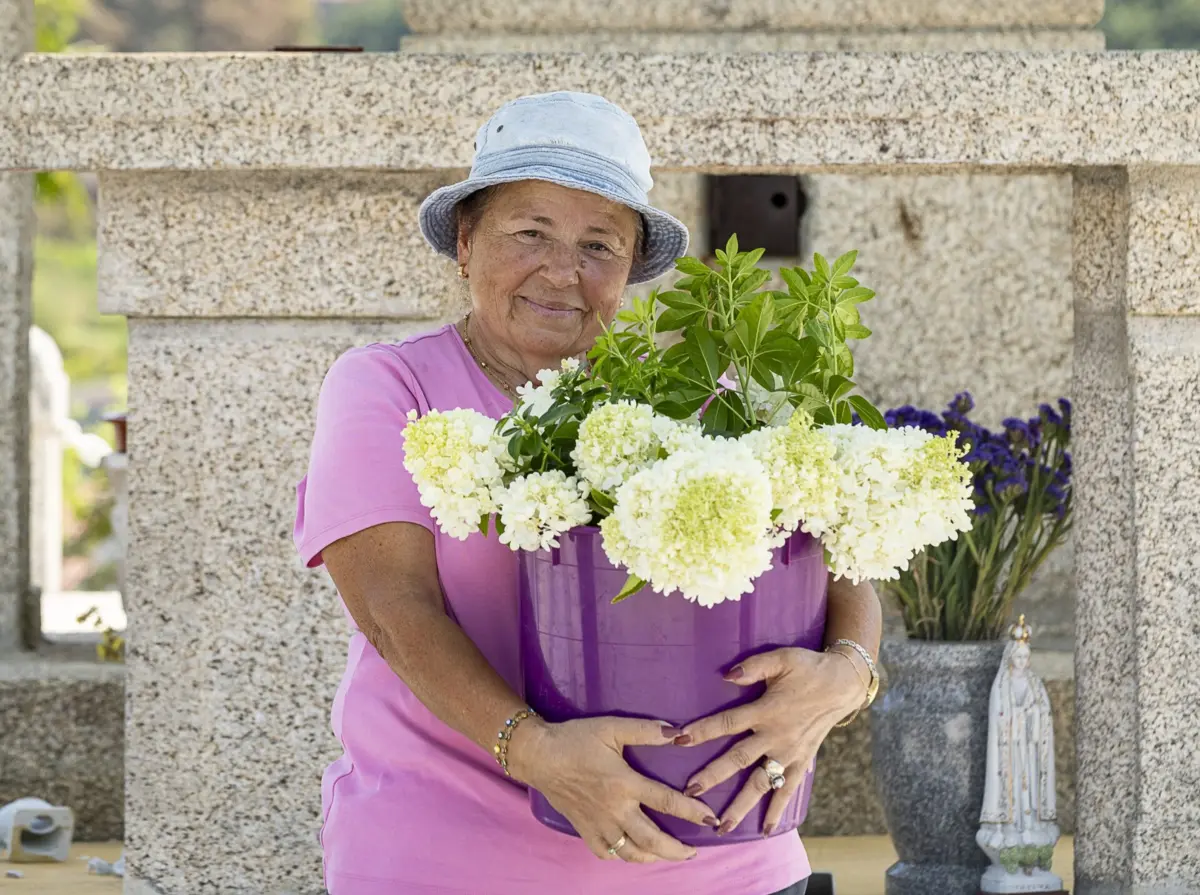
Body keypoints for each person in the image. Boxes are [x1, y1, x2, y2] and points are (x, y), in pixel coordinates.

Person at [294, 90, 883, 895]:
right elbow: (396, 612)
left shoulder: (703, 397)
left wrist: (847, 677)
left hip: (721, 864)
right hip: (454, 862)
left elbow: (840, 570)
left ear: (632, 270)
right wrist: (537, 755)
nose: (563, 271)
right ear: (465, 243)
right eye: (530, 232)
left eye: (600, 245)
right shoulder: (391, 387)